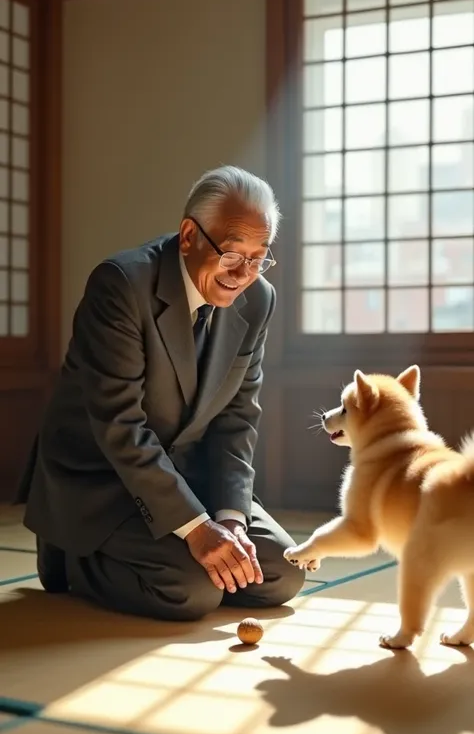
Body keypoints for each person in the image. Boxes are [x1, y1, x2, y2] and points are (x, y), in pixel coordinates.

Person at [16, 165, 305, 620]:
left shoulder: (258, 297)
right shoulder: (121, 285)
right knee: (190, 590)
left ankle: (191, 552)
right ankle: (72, 558)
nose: (244, 273)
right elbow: (120, 427)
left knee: (282, 573)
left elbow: (237, 418)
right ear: (189, 235)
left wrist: (229, 518)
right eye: (232, 255)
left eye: (259, 257)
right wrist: (196, 529)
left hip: (188, 478)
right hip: (103, 480)